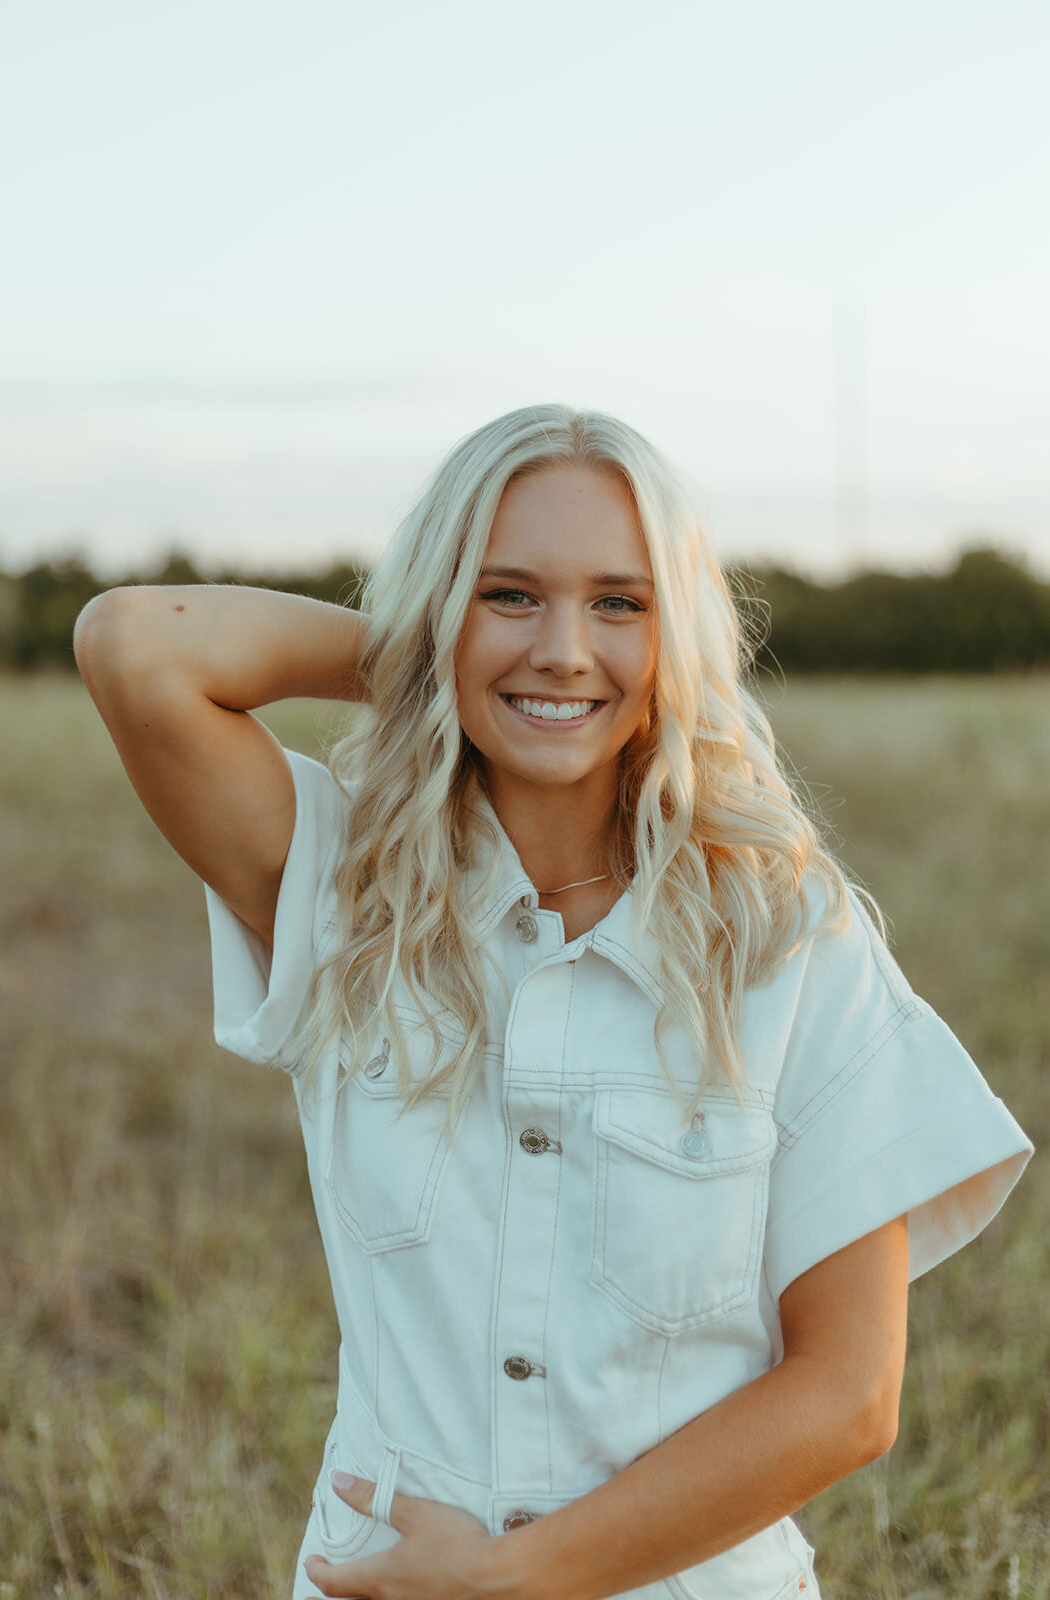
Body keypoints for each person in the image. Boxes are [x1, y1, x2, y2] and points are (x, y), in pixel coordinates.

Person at [74, 403, 1032, 1600]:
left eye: (619, 604)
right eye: (508, 592)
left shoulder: (789, 942)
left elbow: (846, 1397)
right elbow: (135, 646)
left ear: (675, 636)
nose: (565, 649)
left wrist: (513, 1578)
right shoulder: (343, 889)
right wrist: (443, 662)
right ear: (438, 604)